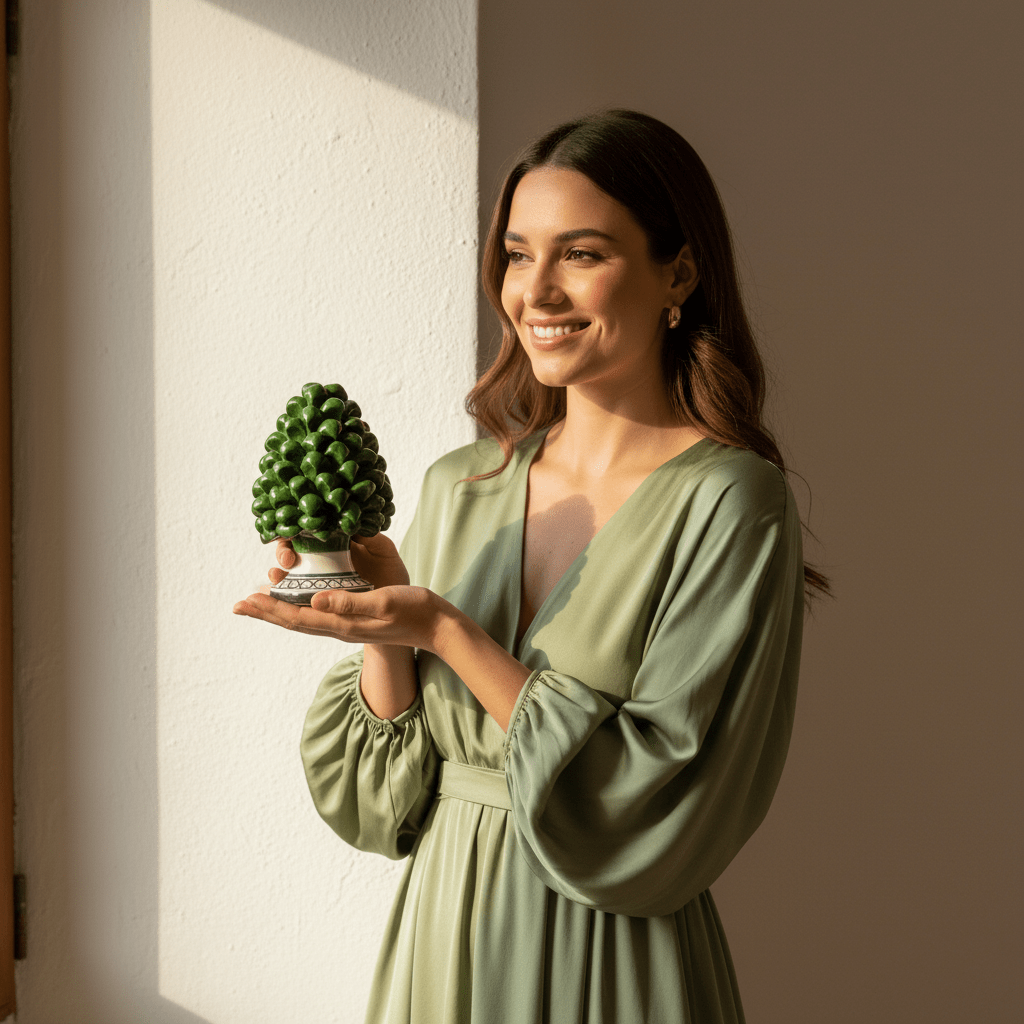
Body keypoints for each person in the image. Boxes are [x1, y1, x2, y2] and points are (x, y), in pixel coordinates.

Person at [234, 109, 827, 1024]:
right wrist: (389, 631)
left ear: (679, 270)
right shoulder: (462, 485)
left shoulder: (730, 501)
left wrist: (443, 628)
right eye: (517, 255)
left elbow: (653, 802)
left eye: (580, 254)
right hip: (444, 935)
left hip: (613, 954)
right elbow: (381, 806)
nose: (536, 292)